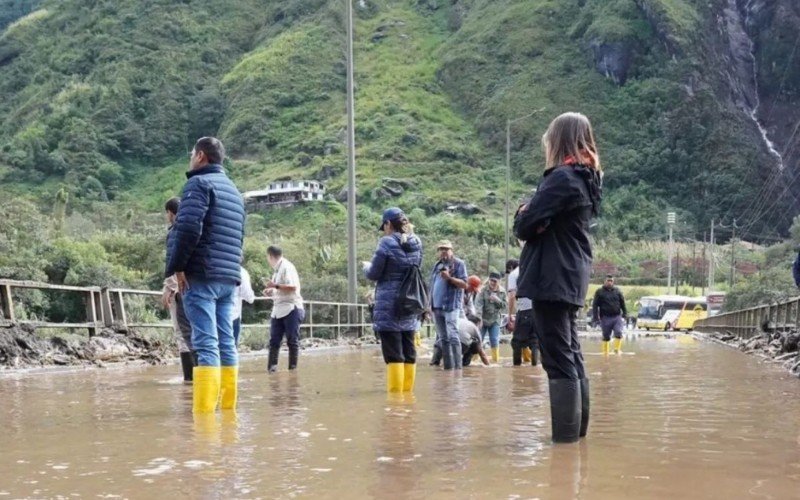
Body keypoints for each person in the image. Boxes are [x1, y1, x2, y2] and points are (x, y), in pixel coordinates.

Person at [513, 112, 603, 443]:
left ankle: (564, 443)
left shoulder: (562, 178)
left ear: (559, 140)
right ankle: (574, 441)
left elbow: (524, 225)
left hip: (551, 274)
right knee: (571, 353)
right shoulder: (587, 177)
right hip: (570, 273)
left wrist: (525, 214)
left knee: (558, 357)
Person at [165, 137, 245, 414]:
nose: (190, 158)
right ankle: (228, 412)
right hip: (228, 278)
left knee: (205, 342)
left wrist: (177, 268)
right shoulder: (234, 191)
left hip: (201, 274)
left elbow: (186, 229)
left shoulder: (198, 183)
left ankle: (204, 421)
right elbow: (238, 236)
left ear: (200, 156)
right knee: (226, 342)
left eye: (191, 154)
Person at [363, 207, 423, 392]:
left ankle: (396, 401)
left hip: (389, 303)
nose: (385, 230)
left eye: (385, 226)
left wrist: (366, 267)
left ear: (388, 224)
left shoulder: (386, 243)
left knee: (393, 352)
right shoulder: (417, 242)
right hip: (410, 301)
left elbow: (374, 274)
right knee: (408, 349)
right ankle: (407, 397)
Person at [161, 197, 196, 382]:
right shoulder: (194, 227)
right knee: (198, 331)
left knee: (182, 333)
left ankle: (190, 378)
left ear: (170, 213)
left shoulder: (175, 232)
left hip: (179, 288)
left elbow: (173, 261)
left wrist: (169, 288)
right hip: (195, 287)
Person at [263, 245, 304, 373]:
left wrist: (275, 285)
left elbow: (293, 287)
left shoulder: (287, 266)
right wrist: (272, 291)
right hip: (278, 308)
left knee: (292, 340)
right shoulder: (277, 269)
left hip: (292, 308)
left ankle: (293, 370)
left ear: (270, 256)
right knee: (274, 340)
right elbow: (280, 288)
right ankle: (272, 369)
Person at [429, 240, 469, 370]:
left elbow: (464, 284)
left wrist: (449, 278)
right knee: (443, 338)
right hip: (436, 307)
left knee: (453, 335)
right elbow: (432, 285)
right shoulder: (437, 265)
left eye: (446, 249)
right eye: (441, 249)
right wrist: (429, 304)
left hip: (451, 306)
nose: (443, 252)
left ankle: (458, 368)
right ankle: (448, 368)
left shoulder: (458, 264)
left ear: (451, 250)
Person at [508, 250, 539, 366]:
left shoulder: (514, 274)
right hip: (538, 310)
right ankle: (535, 367)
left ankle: (516, 368)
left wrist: (510, 314)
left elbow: (511, 297)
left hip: (524, 310)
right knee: (535, 340)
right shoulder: (535, 270)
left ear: (511, 267)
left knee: (517, 341)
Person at [475, 272, 508, 363]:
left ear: (499, 282)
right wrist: (479, 319)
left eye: (495, 281)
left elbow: (505, 306)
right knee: (478, 340)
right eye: (491, 280)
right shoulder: (482, 290)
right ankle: (473, 361)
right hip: (483, 319)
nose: (493, 283)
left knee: (494, 339)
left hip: (495, 319)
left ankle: (495, 361)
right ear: (489, 280)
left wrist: (497, 300)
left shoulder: (502, 291)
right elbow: (478, 306)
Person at [592, 275, 627, 355]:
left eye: (611, 281)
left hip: (617, 316)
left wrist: (625, 314)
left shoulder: (617, 291)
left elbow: (622, 303)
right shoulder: (599, 292)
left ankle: (617, 350)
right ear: (604, 281)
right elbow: (595, 305)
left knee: (618, 332)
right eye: (608, 280)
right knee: (606, 336)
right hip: (605, 317)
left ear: (613, 282)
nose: (609, 282)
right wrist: (595, 318)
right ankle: (605, 353)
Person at [232, 264, 256, 346]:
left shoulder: (212, 266)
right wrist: (252, 297)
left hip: (211, 313)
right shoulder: (241, 271)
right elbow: (248, 296)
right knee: (230, 347)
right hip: (232, 314)